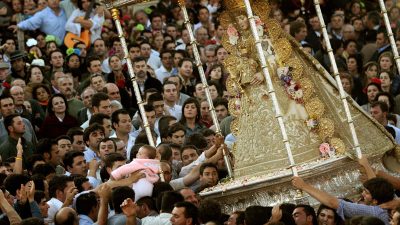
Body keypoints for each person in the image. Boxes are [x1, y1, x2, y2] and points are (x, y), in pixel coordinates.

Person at [292, 176, 394, 224]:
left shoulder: (374, 212)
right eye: (322, 215)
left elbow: (333, 202)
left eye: (366, 193)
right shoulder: (390, 204)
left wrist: (304, 186)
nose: (362, 194)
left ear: (375, 200)